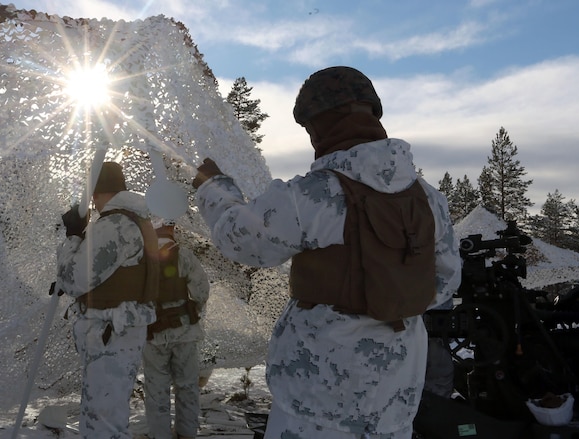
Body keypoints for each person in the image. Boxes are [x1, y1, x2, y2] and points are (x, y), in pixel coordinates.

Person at [191, 66, 461, 439]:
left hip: (318, 402)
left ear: (318, 125)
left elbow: (242, 241)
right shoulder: (430, 199)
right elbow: (444, 284)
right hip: (395, 400)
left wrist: (213, 187)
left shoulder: (312, 196)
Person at [53, 161, 159, 439]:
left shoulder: (114, 224)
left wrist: (74, 237)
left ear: (97, 193)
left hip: (110, 333)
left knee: (103, 423)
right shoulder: (134, 220)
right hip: (117, 330)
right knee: (105, 416)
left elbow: (74, 277)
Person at [143, 220, 210, 439]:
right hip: (185, 332)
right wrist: (192, 311)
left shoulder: (140, 259)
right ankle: (186, 434)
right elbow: (201, 290)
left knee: (156, 392)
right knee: (187, 388)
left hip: (153, 335)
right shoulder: (184, 255)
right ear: (171, 229)